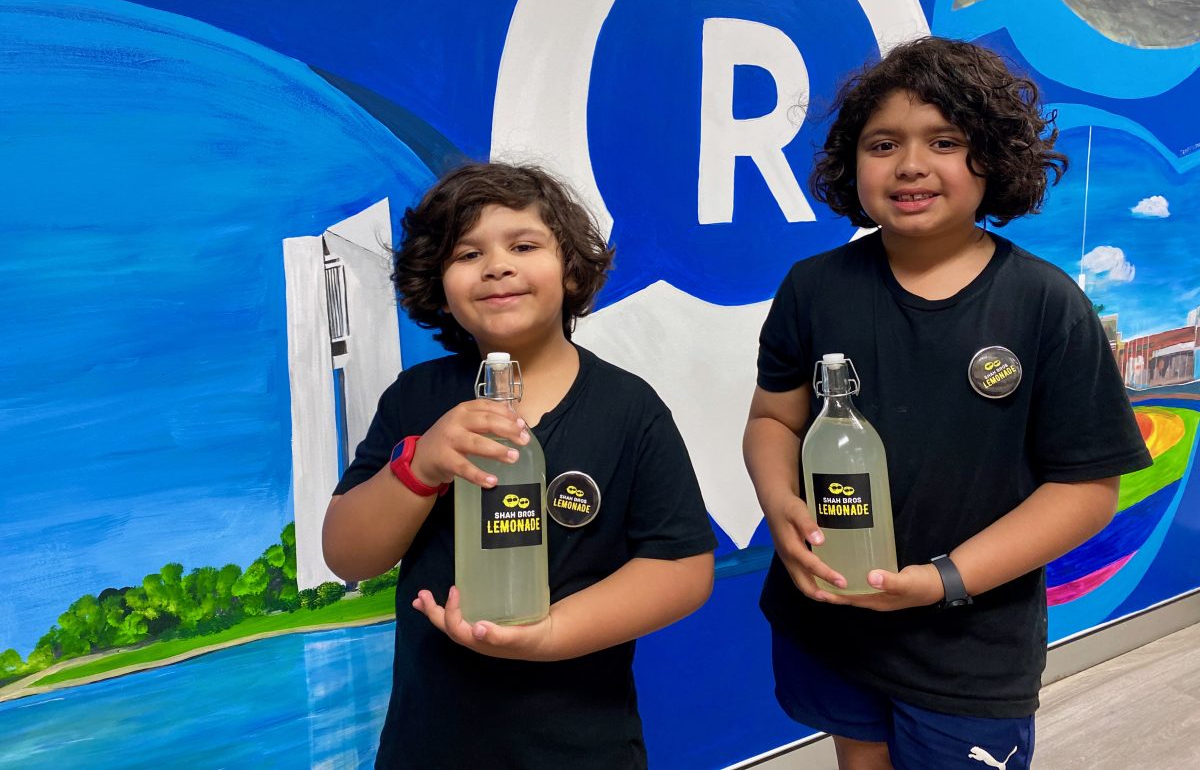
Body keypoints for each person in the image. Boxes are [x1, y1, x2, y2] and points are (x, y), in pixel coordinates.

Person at [742, 37, 1151, 770]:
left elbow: (1086, 490)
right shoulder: (813, 288)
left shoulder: (1046, 306)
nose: (910, 165)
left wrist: (944, 580)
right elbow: (774, 420)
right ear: (852, 163)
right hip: (829, 623)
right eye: (883, 143)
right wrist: (781, 509)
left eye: (945, 141)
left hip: (970, 649)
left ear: (992, 159)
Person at [323, 161, 716, 769]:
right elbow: (348, 555)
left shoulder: (628, 408)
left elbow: (682, 566)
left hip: (584, 748)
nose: (497, 265)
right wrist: (419, 467)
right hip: (429, 746)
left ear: (570, 267)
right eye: (467, 253)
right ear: (438, 284)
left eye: (524, 245)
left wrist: (551, 634)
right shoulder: (415, 399)